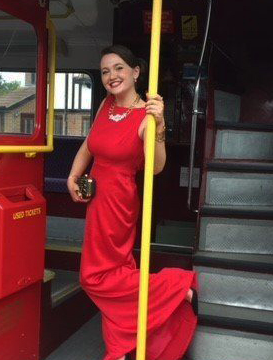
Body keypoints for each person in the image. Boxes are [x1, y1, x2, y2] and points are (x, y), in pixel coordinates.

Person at [67, 45, 198, 360]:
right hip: (96, 198)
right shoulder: (105, 105)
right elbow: (89, 144)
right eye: (105, 71)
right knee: (115, 272)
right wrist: (73, 177)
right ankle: (119, 352)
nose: (112, 76)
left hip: (119, 201)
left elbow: (156, 167)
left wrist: (161, 127)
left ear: (135, 72)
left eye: (119, 68)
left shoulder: (147, 114)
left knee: (94, 277)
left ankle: (176, 287)